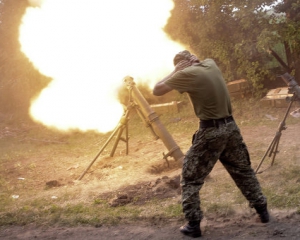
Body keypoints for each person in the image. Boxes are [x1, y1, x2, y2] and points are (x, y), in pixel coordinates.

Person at [153, 50, 269, 238]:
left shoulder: (185, 74)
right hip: (231, 128)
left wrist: (175, 71)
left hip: (211, 132)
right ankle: (262, 212)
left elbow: (157, 90)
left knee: (190, 178)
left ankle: (193, 225)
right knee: (242, 171)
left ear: (181, 65)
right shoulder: (210, 64)